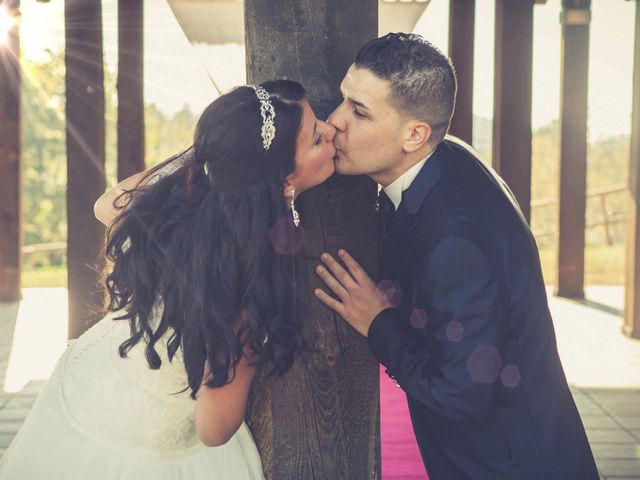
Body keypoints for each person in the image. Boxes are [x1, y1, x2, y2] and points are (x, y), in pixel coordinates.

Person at [0, 80, 336, 479]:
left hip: (89, 387)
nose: (331, 130)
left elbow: (108, 204)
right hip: (139, 452)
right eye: (317, 137)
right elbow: (214, 430)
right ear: (281, 179)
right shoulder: (246, 284)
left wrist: (219, 153)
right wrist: (248, 359)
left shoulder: (183, 222)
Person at [314, 33, 599, 479]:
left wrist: (378, 322)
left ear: (414, 134)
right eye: (343, 100)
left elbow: (461, 396)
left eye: (359, 111)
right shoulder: (444, 158)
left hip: (511, 465)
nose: (334, 122)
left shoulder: (455, 240)